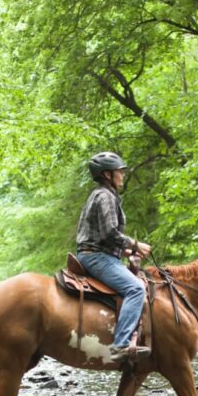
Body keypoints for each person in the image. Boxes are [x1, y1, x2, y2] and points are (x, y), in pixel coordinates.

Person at [76, 152, 153, 362]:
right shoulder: (105, 196)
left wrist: (126, 251)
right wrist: (136, 244)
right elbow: (109, 232)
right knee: (136, 289)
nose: (122, 175)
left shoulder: (101, 194)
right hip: (96, 257)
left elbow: (103, 236)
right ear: (107, 174)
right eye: (119, 171)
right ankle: (120, 346)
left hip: (98, 253)